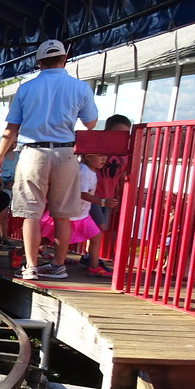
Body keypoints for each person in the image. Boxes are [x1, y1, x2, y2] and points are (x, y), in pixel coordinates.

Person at [0, 39, 98, 280]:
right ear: (65, 58)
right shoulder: (80, 88)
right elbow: (90, 123)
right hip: (65, 153)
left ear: (39, 62)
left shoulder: (26, 88)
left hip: (33, 152)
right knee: (62, 213)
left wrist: (0, 156)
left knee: (31, 212)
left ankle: (31, 267)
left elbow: (11, 127)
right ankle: (58, 266)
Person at [39, 150, 113, 276]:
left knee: (96, 237)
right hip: (71, 214)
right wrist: (102, 202)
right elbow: (81, 193)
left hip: (82, 214)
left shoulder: (91, 170)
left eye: (105, 155)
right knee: (45, 240)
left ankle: (93, 267)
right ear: (88, 156)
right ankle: (19, 253)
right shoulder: (83, 170)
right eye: (100, 155)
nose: (104, 158)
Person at [81, 114, 131, 271]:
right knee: (98, 227)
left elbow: (122, 175)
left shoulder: (124, 152)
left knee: (98, 228)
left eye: (125, 133)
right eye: (117, 132)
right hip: (94, 195)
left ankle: (89, 257)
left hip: (109, 196)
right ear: (107, 131)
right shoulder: (98, 147)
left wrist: (121, 194)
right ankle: (92, 262)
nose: (120, 137)